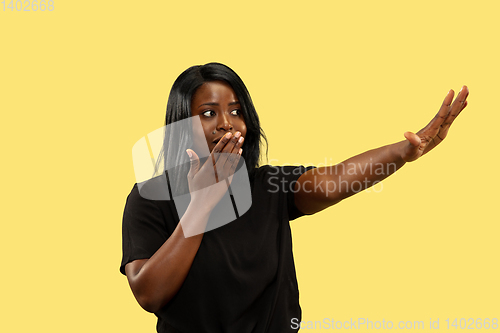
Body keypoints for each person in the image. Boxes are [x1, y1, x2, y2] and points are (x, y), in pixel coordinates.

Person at [120, 62, 469, 333]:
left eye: (237, 111)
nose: (228, 123)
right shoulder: (151, 198)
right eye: (209, 113)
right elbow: (149, 294)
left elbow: (333, 180)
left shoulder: (267, 185)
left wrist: (402, 153)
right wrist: (201, 205)